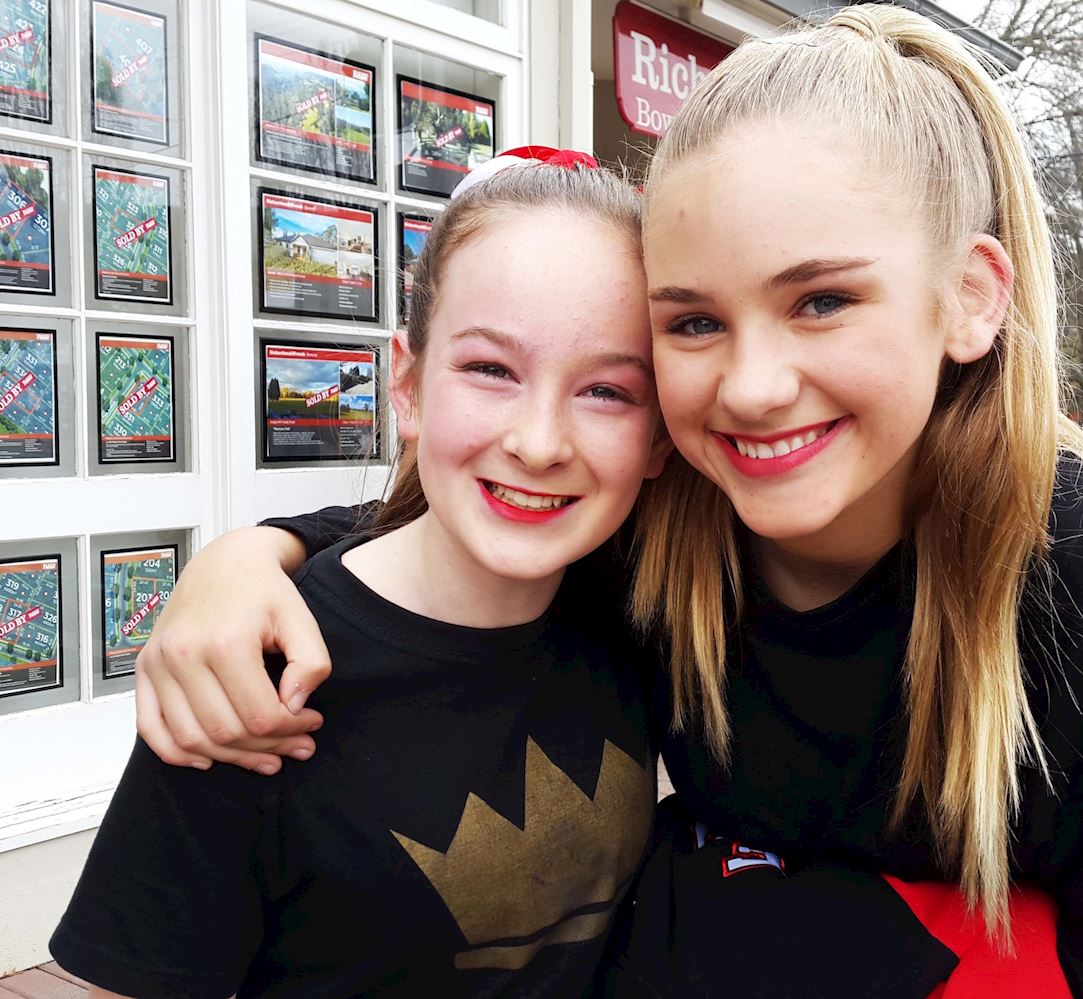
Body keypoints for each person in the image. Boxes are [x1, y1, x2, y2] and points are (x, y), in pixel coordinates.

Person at [124, 7, 1083, 995]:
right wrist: (248, 558)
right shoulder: (678, 517)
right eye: (694, 321)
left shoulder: (1064, 556)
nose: (750, 387)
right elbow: (487, 512)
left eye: (822, 301)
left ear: (969, 298)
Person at [49, 153, 674, 997]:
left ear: (659, 436)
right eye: (491, 369)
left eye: (606, 391)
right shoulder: (254, 674)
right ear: (407, 384)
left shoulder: (638, 613)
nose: (539, 442)